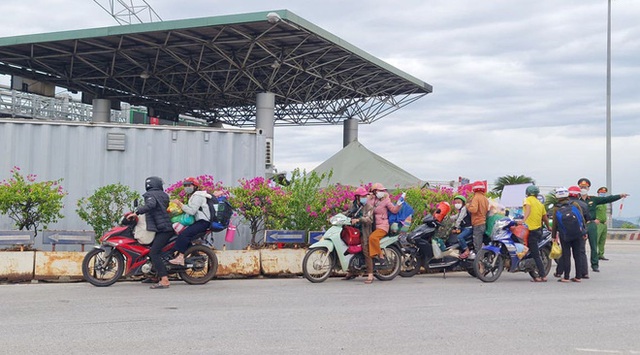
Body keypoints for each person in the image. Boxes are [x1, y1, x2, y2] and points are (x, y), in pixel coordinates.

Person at [130, 176, 174, 289]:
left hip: (163, 229)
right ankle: (155, 275)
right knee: (151, 250)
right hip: (163, 227)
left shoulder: (150, 195)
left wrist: (137, 211)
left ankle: (164, 280)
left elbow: (151, 205)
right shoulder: (163, 195)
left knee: (154, 252)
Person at [576, 178, 628, 273]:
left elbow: (607, 199)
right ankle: (581, 266)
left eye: (585, 187)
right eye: (581, 187)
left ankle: (595, 265)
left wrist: (620, 196)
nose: (583, 188)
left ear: (588, 188)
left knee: (593, 245)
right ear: (578, 188)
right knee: (580, 247)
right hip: (580, 225)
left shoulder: (593, 199)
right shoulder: (575, 200)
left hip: (591, 224)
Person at [168, 177, 223, 266]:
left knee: (184, 234)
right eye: (185, 185)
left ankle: (180, 257)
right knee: (184, 234)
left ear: (195, 186)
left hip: (203, 222)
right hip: (200, 222)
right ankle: (194, 253)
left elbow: (192, 211)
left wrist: (180, 204)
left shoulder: (198, 196)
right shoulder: (196, 195)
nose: (186, 187)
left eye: (189, 185)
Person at [551, 187, 587, 283]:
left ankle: (566, 277)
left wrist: (553, 236)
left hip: (564, 234)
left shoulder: (556, 207)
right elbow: (581, 218)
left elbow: (555, 223)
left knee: (566, 255)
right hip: (578, 234)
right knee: (577, 254)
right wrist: (584, 232)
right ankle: (578, 277)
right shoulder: (574, 204)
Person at [345, 187, 375, 284]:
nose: (364, 198)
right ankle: (352, 271)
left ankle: (370, 274)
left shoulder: (369, 207)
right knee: (349, 248)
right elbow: (348, 213)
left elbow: (369, 220)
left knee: (366, 251)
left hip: (364, 231)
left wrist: (359, 219)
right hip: (353, 231)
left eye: (365, 196)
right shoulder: (353, 205)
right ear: (357, 197)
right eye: (362, 196)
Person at [522, 185, 551, 282]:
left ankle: (542, 275)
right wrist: (548, 227)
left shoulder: (527, 200)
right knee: (532, 252)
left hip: (531, 231)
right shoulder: (540, 204)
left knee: (535, 254)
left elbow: (528, 210)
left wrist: (523, 220)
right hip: (539, 230)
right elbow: (545, 218)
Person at [369, 183, 402, 268]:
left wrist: (399, 205)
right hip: (373, 226)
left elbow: (394, 210)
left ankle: (380, 256)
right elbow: (367, 206)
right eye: (379, 190)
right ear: (375, 192)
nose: (382, 192)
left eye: (382, 190)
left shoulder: (386, 200)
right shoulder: (374, 200)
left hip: (383, 226)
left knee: (373, 238)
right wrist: (370, 196)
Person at [466, 180, 489, 253]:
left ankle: (479, 262)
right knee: (480, 242)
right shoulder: (485, 199)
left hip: (477, 223)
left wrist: (468, 206)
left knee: (477, 245)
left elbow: (474, 209)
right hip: (483, 223)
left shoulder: (476, 197)